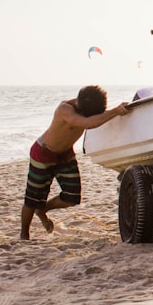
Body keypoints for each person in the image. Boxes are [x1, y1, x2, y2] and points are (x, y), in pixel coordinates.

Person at [21, 85, 129, 240]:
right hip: (43, 154)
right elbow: (86, 123)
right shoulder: (65, 109)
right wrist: (115, 112)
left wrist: (119, 111)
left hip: (65, 155)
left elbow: (95, 117)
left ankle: (43, 210)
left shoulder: (87, 106)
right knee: (32, 199)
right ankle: (24, 234)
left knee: (71, 197)